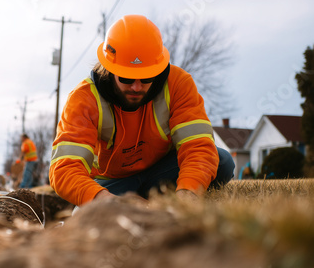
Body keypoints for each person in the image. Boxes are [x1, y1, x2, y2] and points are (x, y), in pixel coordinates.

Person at [49, 15, 234, 207]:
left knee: (223, 162)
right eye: (127, 78)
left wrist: (187, 195)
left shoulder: (179, 84)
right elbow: (64, 168)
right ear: (109, 69)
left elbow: (198, 146)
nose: (137, 87)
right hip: (112, 183)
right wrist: (105, 200)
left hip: (162, 171)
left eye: (146, 78)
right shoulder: (83, 99)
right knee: (90, 213)